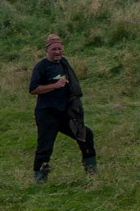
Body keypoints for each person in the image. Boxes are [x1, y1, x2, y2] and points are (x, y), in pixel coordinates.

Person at [28, 34, 97, 183]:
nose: (57, 52)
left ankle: (91, 172)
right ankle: (40, 179)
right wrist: (55, 86)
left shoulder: (64, 64)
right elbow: (33, 89)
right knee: (45, 146)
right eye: (54, 49)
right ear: (47, 50)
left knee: (86, 135)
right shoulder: (41, 66)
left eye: (59, 49)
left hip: (65, 113)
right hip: (47, 113)